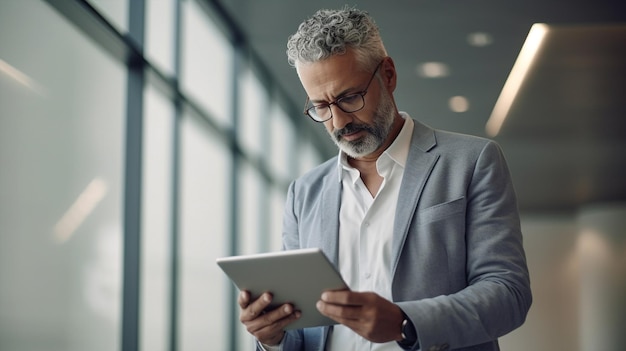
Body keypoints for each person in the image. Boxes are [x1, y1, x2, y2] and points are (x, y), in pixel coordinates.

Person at [238, 7, 532, 351]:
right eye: (321, 106)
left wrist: (405, 322)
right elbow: (303, 334)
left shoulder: (473, 162)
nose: (338, 121)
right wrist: (272, 338)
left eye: (349, 97)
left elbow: (508, 293)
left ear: (388, 75)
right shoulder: (303, 193)